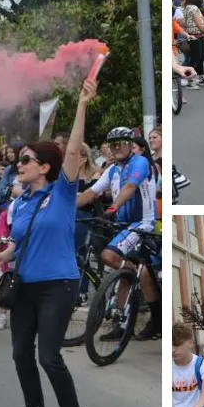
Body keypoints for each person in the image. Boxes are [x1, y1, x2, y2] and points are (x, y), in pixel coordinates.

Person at [0, 77, 98, 407]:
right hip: (25, 287)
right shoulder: (22, 202)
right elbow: (19, 243)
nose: (19, 164)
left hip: (58, 285)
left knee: (49, 356)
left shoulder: (62, 192)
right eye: (19, 160)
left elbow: (75, 151)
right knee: (21, 354)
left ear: (46, 166)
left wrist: (82, 104)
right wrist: (3, 254)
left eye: (26, 160)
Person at [78, 127, 160, 341]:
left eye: (121, 143)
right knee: (132, 274)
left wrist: (112, 209)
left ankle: (154, 318)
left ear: (130, 145)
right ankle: (123, 324)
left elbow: (131, 187)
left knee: (109, 256)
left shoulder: (139, 162)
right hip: (123, 226)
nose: (116, 148)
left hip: (142, 224)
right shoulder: (112, 170)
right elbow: (92, 192)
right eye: (113, 144)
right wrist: (64, 209)